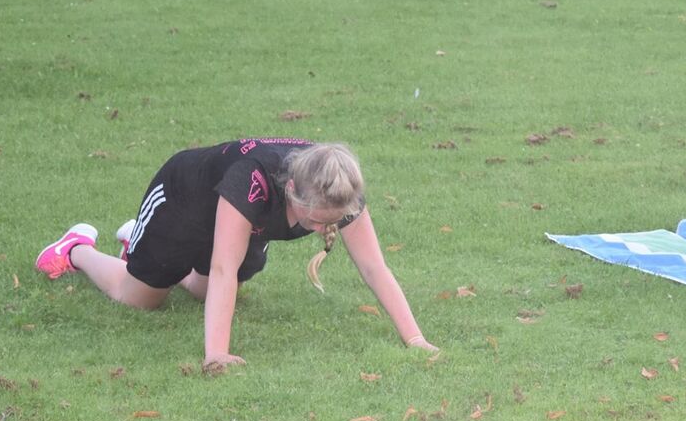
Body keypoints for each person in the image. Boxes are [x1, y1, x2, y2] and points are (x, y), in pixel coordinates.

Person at [35, 137, 438, 369]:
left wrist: (416, 339)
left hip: (238, 221)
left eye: (331, 222)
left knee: (200, 291)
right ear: (291, 191)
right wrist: (217, 355)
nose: (323, 230)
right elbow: (225, 268)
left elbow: (374, 267)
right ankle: (78, 250)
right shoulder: (253, 180)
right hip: (183, 202)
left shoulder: (339, 188)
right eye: (315, 222)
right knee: (139, 298)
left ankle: (139, 245)